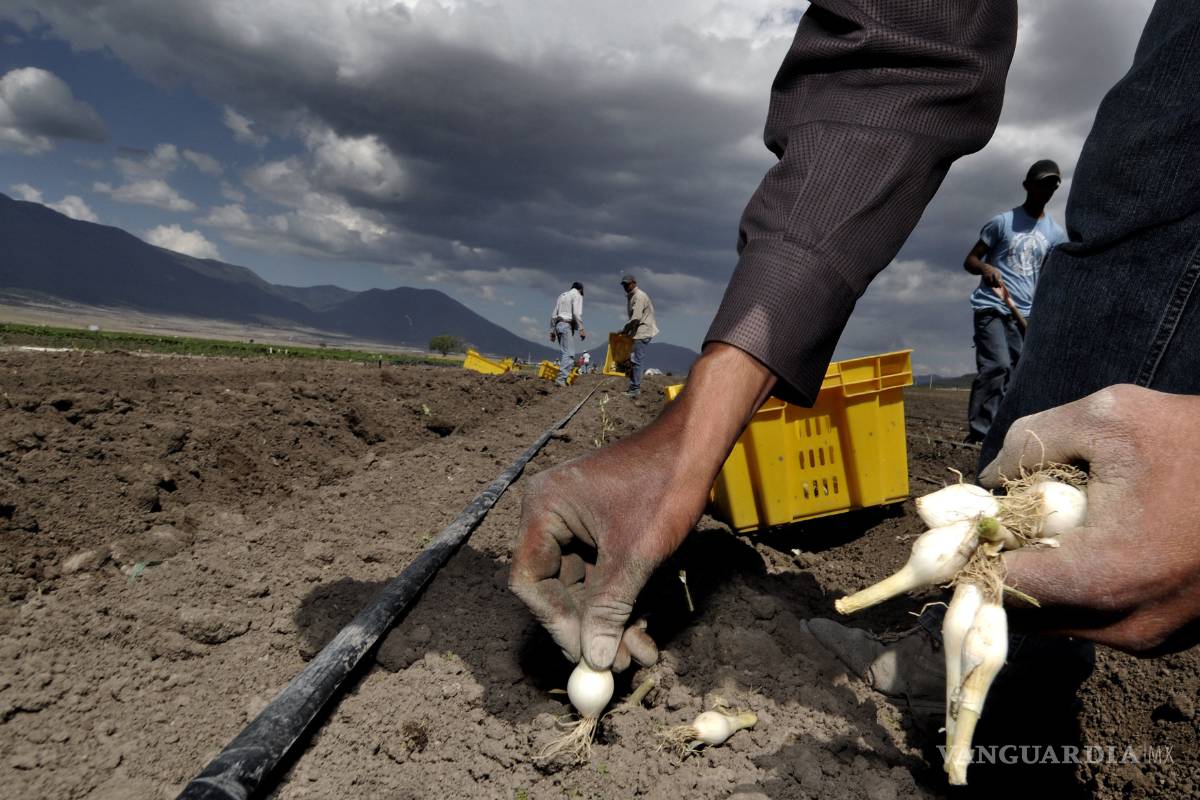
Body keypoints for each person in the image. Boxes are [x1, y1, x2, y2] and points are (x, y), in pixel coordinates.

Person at [510, 0, 1200, 684]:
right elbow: (909, 41)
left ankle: (1003, 660)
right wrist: (686, 442)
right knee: (1156, 153)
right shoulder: (1007, 223)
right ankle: (1000, 656)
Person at [963, 160, 1067, 443]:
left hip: (1025, 312)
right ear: (1027, 186)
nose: (1048, 188)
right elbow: (970, 260)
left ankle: (1002, 433)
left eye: (1053, 184)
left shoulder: (1056, 234)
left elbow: (1049, 277)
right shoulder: (1002, 223)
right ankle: (980, 433)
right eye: (1042, 183)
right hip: (992, 304)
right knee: (997, 365)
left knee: (1016, 376)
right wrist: (986, 268)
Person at [618, 274, 658, 397]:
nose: (625, 286)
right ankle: (633, 386)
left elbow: (636, 318)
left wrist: (625, 330)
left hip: (642, 331)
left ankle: (635, 388)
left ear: (634, 283)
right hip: (638, 331)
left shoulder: (639, 296)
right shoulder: (632, 296)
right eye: (624, 284)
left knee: (637, 360)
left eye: (628, 284)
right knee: (634, 359)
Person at [549, 281, 586, 387]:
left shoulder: (562, 295)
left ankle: (561, 378)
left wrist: (552, 331)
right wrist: (581, 329)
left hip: (558, 325)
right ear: (581, 290)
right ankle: (561, 379)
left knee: (565, 353)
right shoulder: (577, 295)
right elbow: (576, 313)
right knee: (570, 354)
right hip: (566, 325)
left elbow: (553, 314)